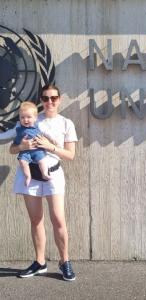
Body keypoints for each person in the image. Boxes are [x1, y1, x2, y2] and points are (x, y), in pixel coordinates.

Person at [9, 84, 78, 281]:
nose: (50, 102)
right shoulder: (29, 119)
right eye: (46, 98)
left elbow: (71, 155)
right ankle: (40, 262)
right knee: (35, 220)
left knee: (58, 220)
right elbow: (12, 150)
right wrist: (23, 145)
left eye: (53, 98)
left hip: (53, 176)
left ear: (59, 99)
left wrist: (50, 147)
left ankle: (65, 262)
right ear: (41, 100)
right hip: (28, 176)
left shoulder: (66, 123)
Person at [14, 102, 51, 186]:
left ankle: (44, 173)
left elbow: (46, 134)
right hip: (25, 151)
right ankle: (28, 176)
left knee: (42, 160)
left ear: (35, 118)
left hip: (37, 150)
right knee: (22, 161)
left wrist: (50, 141)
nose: (25, 120)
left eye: (28, 117)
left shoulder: (38, 126)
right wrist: (20, 146)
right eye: (22, 117)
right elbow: (15, 143)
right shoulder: (18, 129)